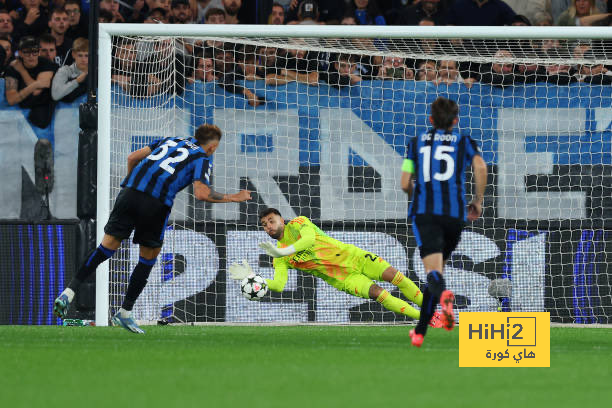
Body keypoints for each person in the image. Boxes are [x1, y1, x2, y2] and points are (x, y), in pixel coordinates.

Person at [53, 124, 252, 333]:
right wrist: (233, 197)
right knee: (147, 258)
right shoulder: (202, 157)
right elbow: (202, 194)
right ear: (211, 146)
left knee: (106, 248)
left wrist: (132, 184)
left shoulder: (170, 140)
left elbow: (132, 158)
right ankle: (125, 312)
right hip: (156, 203)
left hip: (129, 194)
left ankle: (69, 292)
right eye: (215, 147)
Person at [229, 208, 445, 327]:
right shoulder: (279, 257)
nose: (268, 226)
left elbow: (309, 240)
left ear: (282, 220)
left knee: (397, 278)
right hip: (342, 278)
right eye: (264, 225)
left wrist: (283, 251)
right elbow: (278, 284)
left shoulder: (298, 224)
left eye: (271, 221)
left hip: (355, 257)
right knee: (379, 293)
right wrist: (254, 277)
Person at [401, 97, 487, 347]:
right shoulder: (464, 141)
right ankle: (419, 332)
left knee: (434, 274)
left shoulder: (416, 144)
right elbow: (480, 167)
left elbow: (405, 182)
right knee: (436, 271)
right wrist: (478, 200)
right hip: (454, 216)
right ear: (455, 121)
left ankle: (445, 297)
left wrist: (413, 195)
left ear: (430, 120)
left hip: (426, 213)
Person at [4, 36, 57, 129]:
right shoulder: (12, 68)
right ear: (20, 53)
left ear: (39, 52)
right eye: (27, 52)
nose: (31, 56)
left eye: (34, 52)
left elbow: (36, 92)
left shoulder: (47, 64)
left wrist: (22, 71)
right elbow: (11, 100)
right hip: (23, 109)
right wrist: (36, 84)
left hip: (43, 107)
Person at [51, 36, 87, 102]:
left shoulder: (97, 73)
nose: (83, 60)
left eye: (87, 56)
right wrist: (76, 81)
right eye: (80, 55)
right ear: (73, 54)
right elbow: (55, 95)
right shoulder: (64, 71)